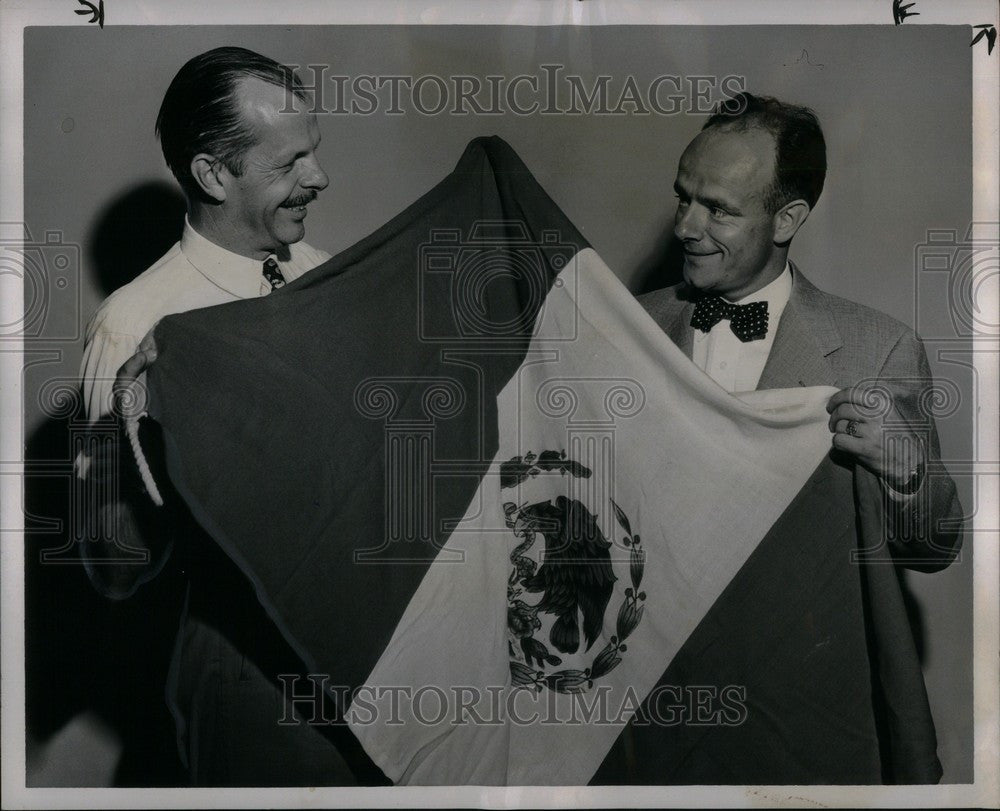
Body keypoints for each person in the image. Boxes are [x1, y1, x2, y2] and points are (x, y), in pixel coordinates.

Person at [633, 92, 963, 781]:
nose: (687, 226)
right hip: (643, 708)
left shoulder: (878, 346)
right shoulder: (629, 325)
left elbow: (934, 546)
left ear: (788, 218)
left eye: (719, 208)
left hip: (799, 713)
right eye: (683, 197)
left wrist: (904, 470)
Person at [77, 46, 379, 785]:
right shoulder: (132, 325)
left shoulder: (332, 277)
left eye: (313, 153)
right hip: (251, 681)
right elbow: (111, 565)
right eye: (289, 164)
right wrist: (127, 445)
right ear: (213, 174)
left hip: (375, 658)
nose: (320, 178)